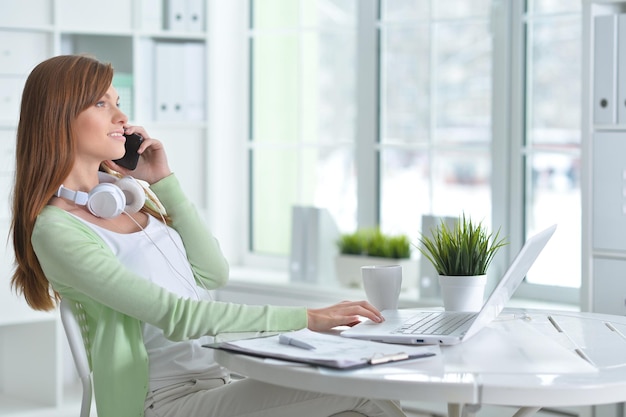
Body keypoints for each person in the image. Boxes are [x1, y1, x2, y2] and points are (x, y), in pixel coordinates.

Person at [9, 55, 405, 417]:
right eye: (102, 104)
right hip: (161, 401)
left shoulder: (122, 199)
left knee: (360, 395)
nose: (122, 117)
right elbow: (178, 316)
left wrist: (162, 181)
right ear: (58, 117)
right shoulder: (57, 230)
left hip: (219, 379)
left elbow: (213, 273)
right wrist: (308, 318)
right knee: (360, 393)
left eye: (118, 102)